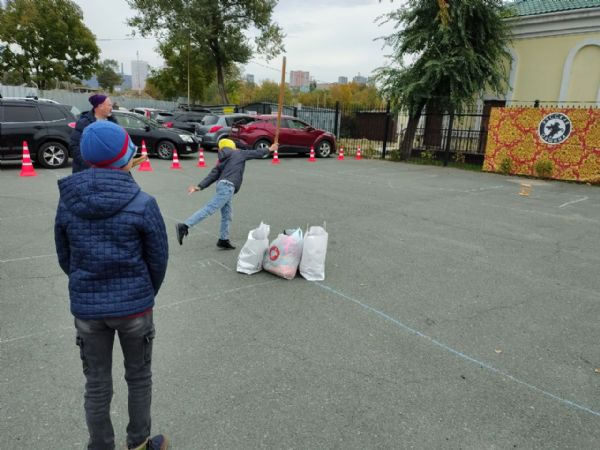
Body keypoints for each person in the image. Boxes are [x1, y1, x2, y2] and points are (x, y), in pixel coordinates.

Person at [55, 121, 169, 450]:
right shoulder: (142, 202)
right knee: (139, 377)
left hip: (88, 310)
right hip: (135, 308)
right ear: (126, 157)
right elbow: (158, 259)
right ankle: (139, 442)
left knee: (96, 383)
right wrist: (144, 292)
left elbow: (65, 256)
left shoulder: (68, 202)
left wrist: (85, 284)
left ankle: (100, 445)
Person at [176, 138, 275, 248]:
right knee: (210, 208)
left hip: (223, 186)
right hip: (228, 187)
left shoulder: (222, 160)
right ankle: (185, 226)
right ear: (232, 146)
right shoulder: (239, 153)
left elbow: (212, 175)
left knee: (227, 215)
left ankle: (223, 240)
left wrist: (199, 186)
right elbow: (256, 153)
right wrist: (269, 149)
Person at [70, 94, 117, 173]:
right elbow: (74, 146)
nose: (111, 108)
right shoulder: (84, 123)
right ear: (100, 106)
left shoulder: (113, 122)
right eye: (109, 105)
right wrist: (89, 165)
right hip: (87, 171)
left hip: (108, 169)